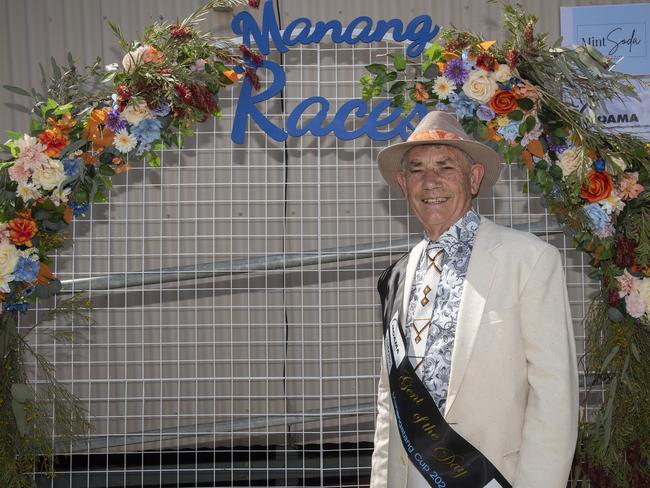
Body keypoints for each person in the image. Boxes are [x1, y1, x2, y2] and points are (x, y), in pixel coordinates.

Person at [369, 111, 578, 488]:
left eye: (445, 166)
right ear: (403, 184)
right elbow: (389, 402)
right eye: (416, 170)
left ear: (475, 177)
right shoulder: (396, 276)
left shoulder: (529, 260)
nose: (430, 182)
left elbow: (554, 398)